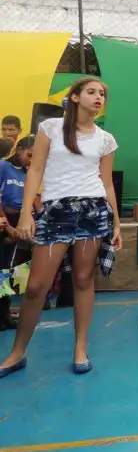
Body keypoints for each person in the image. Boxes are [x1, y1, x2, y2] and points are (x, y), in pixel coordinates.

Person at [0, 78, 121, 378]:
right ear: (75, 97)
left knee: (83, 279)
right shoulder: (50, 128)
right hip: (56, 211)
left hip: (93, 211)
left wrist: (116, 223)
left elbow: (107, 183)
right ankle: (17, 352)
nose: (98, 97)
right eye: (91, 92)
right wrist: (27, 214)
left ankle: (80, 348)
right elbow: (35, 170)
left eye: (102, 94)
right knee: (37, 286)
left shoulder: (106, 139)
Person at [0, 136, 35, 331]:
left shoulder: (26, 172)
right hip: (4, 221)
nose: (31, 160)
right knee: (2, 270)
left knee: (14, 270)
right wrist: (8, 227)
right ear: (19, 149)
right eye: (29, 155)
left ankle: (5, 312)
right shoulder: (2, 166)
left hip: (19, 222)